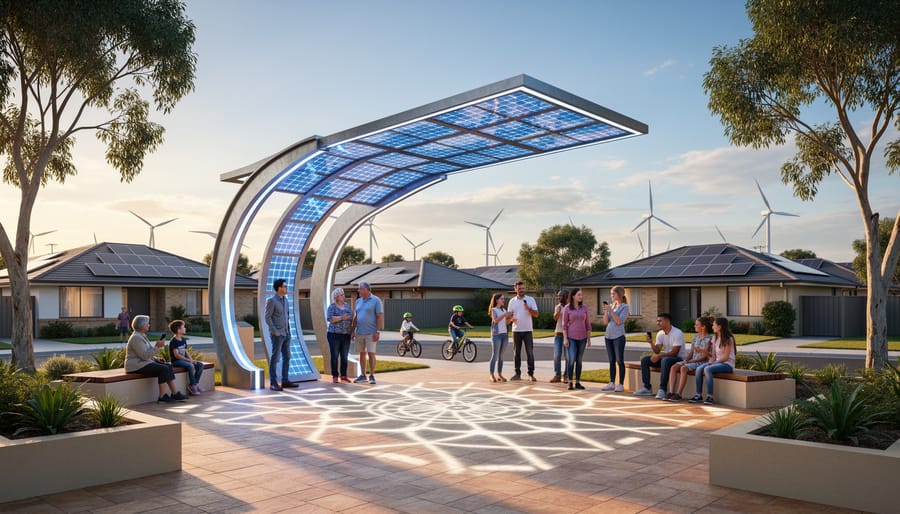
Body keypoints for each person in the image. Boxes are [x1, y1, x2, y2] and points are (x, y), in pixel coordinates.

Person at [124, 315, 187, 403]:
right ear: (142, 326)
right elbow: (144, 356)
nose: (149, 325)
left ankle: (175, 393)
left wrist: (156, 359)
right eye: (147, 324)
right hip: (136, 366)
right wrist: (157, 346)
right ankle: (162, 397)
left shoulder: (141, 335)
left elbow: (146, 353)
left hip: (143, 363)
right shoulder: (136, 338)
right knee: (163, 369)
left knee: (168, 366)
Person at [634, 312, 684, 398]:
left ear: (667, 322)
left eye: (660, 321)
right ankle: (647, 388)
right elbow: (657, 351)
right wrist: (651, 343)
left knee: (665, 360)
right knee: (645, 360)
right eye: (657, 321)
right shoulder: (660, 333)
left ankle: (662, 389)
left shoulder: (677, 333)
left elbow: (675, 352)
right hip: (667, 358)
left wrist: (659, 356)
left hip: (678, 359)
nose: (658, 323)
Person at [690, 317, 736, 405]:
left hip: (727, 365)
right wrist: (709, 360)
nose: (712, 327)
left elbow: (726, 357)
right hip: (717, 363)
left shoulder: (728, 339)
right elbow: (713, 355)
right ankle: (698, 395)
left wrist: (713, 363)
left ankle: (710, 396)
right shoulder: (715, 338)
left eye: (714, 325)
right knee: (699, 368)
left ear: (720, 327)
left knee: (707, 369)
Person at [666, 317, 713, 401]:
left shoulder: (709, 339)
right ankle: (671, 392)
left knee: (683, 368)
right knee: (674, 367)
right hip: (692, 362)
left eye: (696, 324)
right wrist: (686, 360)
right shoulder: (695, 337)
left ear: (703, 327)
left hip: (702, 362)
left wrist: (689, 362)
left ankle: (679, 394)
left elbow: (705, 356)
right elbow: (691, 352)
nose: (694, 326)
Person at [265, 278, 297, 391]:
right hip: (277, 335)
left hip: (286, 334)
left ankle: (285, 380)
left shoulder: (286, 300)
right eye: (285, 286)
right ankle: (273, 383)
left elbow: (286, 317)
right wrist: (275, 331)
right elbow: (267, 317)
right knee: (275, 358)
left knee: (287, 357)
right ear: (279, 288)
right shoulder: (272, 301)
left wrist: (288, 331)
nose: (286, 288)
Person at [351, 281, 383, 385]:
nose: (358, 290)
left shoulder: (376, 300)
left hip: (371, 332)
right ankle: (363, 375)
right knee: (362, 353)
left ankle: (372, 375)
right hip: (360, 332)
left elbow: (380, 316)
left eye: (360, 288)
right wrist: (352, 331)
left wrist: (377, 331)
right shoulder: (358, 301)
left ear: (366, 289)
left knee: (371, 353)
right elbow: (356, 316)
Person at [508, 280, 538, 381]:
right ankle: (517, 373)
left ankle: (531, 374)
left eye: (523, 288)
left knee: (530, 352)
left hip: (528, 330)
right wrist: (511, 319)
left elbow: (536, 314)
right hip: (516, 330)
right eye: (520, 288)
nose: (522, 290)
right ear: (515, 288)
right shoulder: (512, 301)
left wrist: (528, 308)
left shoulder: (530, 300)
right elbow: (509, 316)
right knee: (516, 353)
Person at [562, 288, 591, 390]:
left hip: (582, 338)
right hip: (571, 337)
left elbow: (587, 324)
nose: (581, 296)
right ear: (573, 296)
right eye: (579, 295)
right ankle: (570, 382)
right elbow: (564, 325)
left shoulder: (585, 308)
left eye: (581, 295)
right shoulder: (567, 308)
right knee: (571, 359)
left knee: (579, 360)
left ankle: (577, 382)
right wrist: (565, 339)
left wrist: (589, 339)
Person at [601, 286, 629, 392]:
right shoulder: (612, 305)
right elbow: (605, 322)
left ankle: (620, 384)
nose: (611, 295)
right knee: (611, 361)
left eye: (613, 293)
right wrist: (605, 311)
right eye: (611, 293)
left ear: (620, 294)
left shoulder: (625, 307)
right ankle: (612, 383)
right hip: (608, 336)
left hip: (618, 337)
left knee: (619, 360)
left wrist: (611, 311)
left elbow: (619, 321)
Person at [168, 320, 205, 395]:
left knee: (200, 365)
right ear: (178, 330)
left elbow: (185, 351)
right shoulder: (174, 341)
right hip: (176, 361)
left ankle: (194, 384)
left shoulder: (183, 340)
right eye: (183, 327)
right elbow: (176, 355)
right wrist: (189, 361)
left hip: (184, 360)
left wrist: (191, 359)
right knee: (190, 365)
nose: (185, 328)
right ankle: (193, 385)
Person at [326, 287, 353, 384]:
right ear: (336, 297)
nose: (343, 296)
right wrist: (341, 317)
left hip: (346, 335)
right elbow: (330, 318)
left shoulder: (347, 306)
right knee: (334, 356)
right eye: (341, 295)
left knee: (344, 356)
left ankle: (344, 375)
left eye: (343, 294)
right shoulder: (332, 306)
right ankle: (335, 376)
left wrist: (352, 330)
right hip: (334, 335)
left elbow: (351, 318)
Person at [488, 293, 511, 383]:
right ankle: (491, 374)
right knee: (495, 355)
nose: (503, 300)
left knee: (501, 356)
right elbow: (496, 320)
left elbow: (505, 323)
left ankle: (500, 374)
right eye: (502, 299)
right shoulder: (493, 310)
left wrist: (511, 319)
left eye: (503, 299)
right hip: (496, 335)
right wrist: (505, 315)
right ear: (497, 300)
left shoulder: (503, 310)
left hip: (504, 335)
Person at [550, 289, 569, 383]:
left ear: (566, 296)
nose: (559, 297)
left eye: (561, 296)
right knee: (557, 355)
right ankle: (557, 375)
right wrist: (558, 311)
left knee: (568, 356)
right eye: (558, 296)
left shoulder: (571, 307)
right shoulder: (557, 306)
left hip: (568, 335)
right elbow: (555, 318)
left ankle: (566, 376)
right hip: (558, 334)